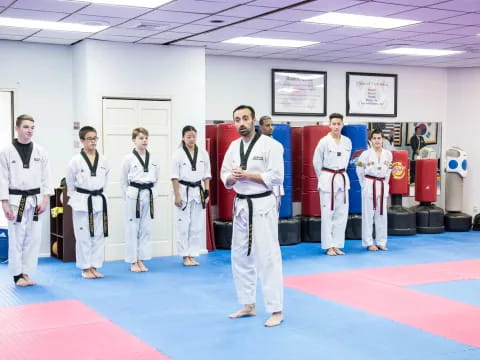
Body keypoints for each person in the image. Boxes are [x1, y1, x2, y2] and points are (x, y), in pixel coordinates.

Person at [221, 105, 284, 327]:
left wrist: (248, 175)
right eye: (237, 119)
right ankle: (248, 304)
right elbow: (224, 174)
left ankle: (276, 309)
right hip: (241, 205)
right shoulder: (233, 146)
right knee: (240, 256)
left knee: (267, 256)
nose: (241, 123)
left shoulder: (272, 146)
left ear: (253, 120)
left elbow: (276, 177)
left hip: (262, 204)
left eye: (245, 118)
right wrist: (232, 179)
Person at [0, 114, 53, 286]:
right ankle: (17, 275)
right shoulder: (6, 151)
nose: (29, 130)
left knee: (33, 238)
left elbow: (47, 177)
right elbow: (2, 178)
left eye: (32, 127)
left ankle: (26, 272)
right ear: (17, 128)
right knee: (17, 238)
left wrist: (45, 199)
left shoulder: (40, 151)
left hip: (35, 200)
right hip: (16, 200)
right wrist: (4, 203)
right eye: (26, 127)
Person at [66, 126, 110, 279]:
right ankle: (85, 268)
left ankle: (94, 266)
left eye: (95, 138)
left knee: (98, 235)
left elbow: (106, 182)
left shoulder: (104, 160)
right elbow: (70, 184)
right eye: (90, 138)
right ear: (82, 141)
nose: (93, 141)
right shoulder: (75, 161)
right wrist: (77, 198)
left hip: (98, 200)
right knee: (83, 236)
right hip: (81, 201)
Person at [120, 128, 159, 272]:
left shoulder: (153, 159)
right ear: (134, 140)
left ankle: (141, 259)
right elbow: (123, 180)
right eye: (141, 138)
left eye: (146, 138)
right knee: (132, 228)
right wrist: (128, 196)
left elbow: (157, 178)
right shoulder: (128, 159)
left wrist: (152, 193)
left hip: (148, 194)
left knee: (146, 228)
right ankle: (132, 261)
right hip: (133, 194)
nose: (144, 140)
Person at [171, 126, 211, 266]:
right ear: (183, 137)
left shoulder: (203, 153)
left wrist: (207, 192)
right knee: (183, 225)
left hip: (197, 191)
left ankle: (193, 254)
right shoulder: (178, 154)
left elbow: (207, 175)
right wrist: (177, 195)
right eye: (188, 136)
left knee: (196, 225)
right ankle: (184, 255)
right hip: (183, 190)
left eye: (193, 136)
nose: (191, 139)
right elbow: (174, 177)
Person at [313, 113, 352, 256]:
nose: (336, 126)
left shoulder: (347, 142)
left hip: (342, 178)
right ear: (329, 125)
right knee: (327, 214)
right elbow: (316, 162)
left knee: (341, 214)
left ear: (342, 125)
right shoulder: (324, 142)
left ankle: (337, 244)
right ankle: (328, 246)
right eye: (333, 124)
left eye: (338, 123)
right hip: (328, 179)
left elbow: (346, 161)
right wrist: (324, 177)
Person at [356, 130, 392, 251]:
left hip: (382, 184)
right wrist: (364, 184)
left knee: (381, 214)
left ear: (383, 139)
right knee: (368, 215)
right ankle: (368, 242)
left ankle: (381, 241)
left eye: (379, 138)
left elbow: (389, 171)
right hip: (369, 184)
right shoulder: (365, 154)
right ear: (371, 140)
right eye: (374, 138)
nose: (377, 140)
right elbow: (359, 169)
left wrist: (386, 185)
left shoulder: (388, 154)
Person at [259, 115, 284, 209]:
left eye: (271, 125)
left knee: (275, 216)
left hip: (276, 186)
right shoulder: (257, 144)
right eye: (267, 125)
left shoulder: (276, 144)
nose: (270, 128)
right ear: (261, 127)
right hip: (264, 187)